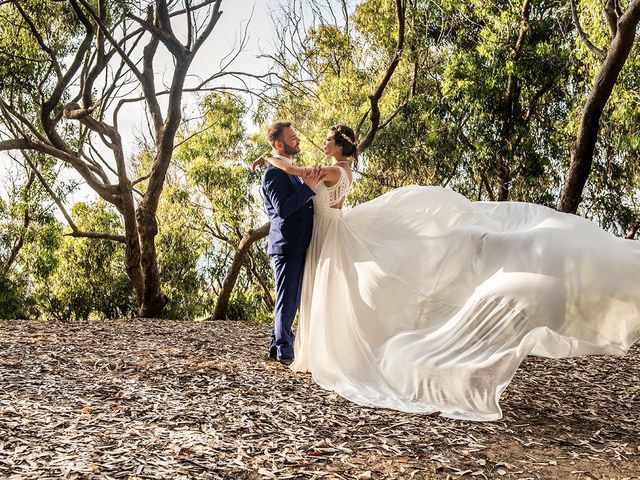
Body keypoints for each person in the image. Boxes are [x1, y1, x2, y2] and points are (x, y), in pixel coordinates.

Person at [254, 123, 640, 421]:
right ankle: (300, 343)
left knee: (338, 290)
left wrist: (265, 158)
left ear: (338, 147)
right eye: (302, 137)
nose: (318, 142)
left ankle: (319, 347)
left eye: (326, 140)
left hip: (332, 232)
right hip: (327, 232)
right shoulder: (339, 169)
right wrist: (268, 160)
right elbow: (292, 168)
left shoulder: (334, 173)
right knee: (332, 290)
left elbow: (297, 169)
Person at [260, 122, 324, 366]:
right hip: (287, 245)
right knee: (288, 300)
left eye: (296, 136)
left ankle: (278, 345)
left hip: (298, 243)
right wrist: (307, 188)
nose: (297, 140)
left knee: (293, 299)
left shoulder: (287, 168)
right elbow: (283, 209)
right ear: (279, 144)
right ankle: (284, 351)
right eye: (292, 137)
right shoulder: (274, 173)